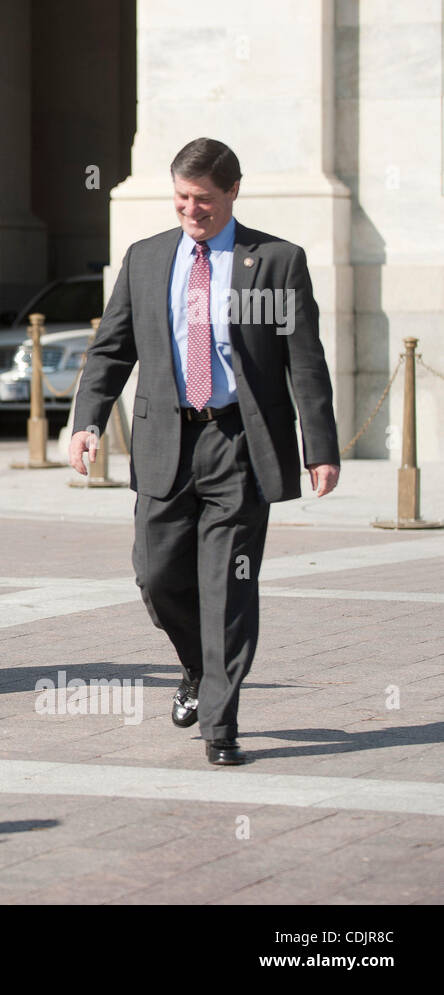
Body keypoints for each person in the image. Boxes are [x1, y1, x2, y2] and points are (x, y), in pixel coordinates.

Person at [68, 137, 340, 766]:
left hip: (240, 444)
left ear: (234, 193)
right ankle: (196, 666)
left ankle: (220, 725)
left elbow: (305, 360)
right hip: (166, 439)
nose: (193, 210)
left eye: (206, 201)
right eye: (183, 198)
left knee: (228, 588)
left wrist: (318, 446)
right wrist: (88, 421)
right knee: (157, 576)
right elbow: (112, 349)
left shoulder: (274, 261)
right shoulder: (144, 258)